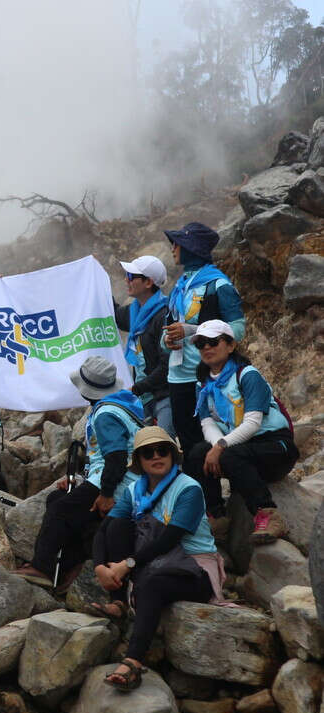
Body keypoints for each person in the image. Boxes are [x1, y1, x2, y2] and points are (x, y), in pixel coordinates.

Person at [91, 427, 223, 692]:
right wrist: (99, 567)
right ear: (139, 460)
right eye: (147, 453)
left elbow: (169, 540)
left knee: (153, 584)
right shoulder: (134, 490)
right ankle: (118, 602)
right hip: (154, 562)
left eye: (162, 450)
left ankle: (133, 661)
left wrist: (125, 565)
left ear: (173, 456)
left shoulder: (189, 489)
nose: (156, 456)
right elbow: (104, 530)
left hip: (195, 569)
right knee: (117, 527)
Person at [13, 355, 144, 590]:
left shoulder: (105, 414)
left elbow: (116, 458)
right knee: (59, 499)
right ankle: (69, 566)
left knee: (61, 510)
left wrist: (106, 494)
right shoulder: (124, 405)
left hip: (118, 483)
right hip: (117, 479)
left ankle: (41, 567)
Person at [180, 320, 298, 544]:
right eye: (201, 343)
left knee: (231, 453)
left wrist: (221, 447)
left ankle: (268, 515)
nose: (206, 347)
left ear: (231, 345)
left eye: (213, 341)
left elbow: (253, 422)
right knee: (196, 453)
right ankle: (217, 516)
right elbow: (207, 423)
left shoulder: (248, 375)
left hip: (275, 446)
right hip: (240, 447)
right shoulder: (203, 384)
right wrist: (217, 447)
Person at [161, 222, 245, 455]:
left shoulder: (219, 285)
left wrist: (190, 331)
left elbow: (237, 331)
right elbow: (165, 333)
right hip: (177, 377)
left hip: (210, 376)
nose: (172, 249)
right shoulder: (179, 288)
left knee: (215, 439)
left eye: (177, 243)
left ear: (191, 247)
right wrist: (167, 342)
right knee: (188, 444)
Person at [115, 255, 172, 436]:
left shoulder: (163, 316)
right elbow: (115, 314)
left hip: (165, 398)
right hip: (146, 398)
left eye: (131, 276)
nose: (126, 280)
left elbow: (166, 367)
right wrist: (94, 277)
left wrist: (136, 389)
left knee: (163, 445)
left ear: (148, 282)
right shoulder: (136, 312)